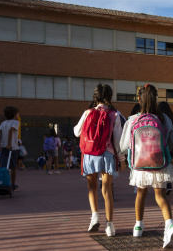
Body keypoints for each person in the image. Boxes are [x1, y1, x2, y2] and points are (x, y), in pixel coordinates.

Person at [120, 84, 173, 248]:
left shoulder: (133, 119)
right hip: (159, 163)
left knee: (141, 193)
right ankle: (170, 225)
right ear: (155, 99)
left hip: (140, 164)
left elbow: (123, 145)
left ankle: (138, 225)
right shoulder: (163, 118)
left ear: (139, 99)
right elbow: (171, 140)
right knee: (161, 197)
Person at [74, 83, 126, 237]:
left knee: (92, 186)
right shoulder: (114, 115)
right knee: (107, 189)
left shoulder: (87, 112)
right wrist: (122, 159)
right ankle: (109, 225)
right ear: (110, 97)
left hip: (89, 153)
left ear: (95, 97)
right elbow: (118, 141)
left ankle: (94, 216)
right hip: (107, 154)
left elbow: (77, 132)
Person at [0, 106, 20, 191]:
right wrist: (9, 143)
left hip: (3, 147)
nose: (18, 115)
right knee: (13, 167)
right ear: (14, 114)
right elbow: (11, 130)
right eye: (18, 113)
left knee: (4, 166)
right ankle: (12, 184)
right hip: (13, 147)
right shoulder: (15, 122)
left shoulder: (3, 123)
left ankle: (3, 182)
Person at [157, 101, 173, 196]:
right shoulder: (172, 118)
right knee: (167, 165)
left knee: (161, 167)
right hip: (170, 147)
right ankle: (168, 185)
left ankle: (164, 185)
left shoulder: (159, 117)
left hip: (161, 146)